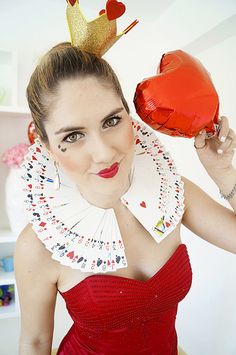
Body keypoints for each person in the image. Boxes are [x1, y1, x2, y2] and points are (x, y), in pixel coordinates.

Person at [14, 40, 236, 355]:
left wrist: (223, 172)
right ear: (48, 146)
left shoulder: (171, 192)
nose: (104, 153)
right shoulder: (37, 246)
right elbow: (35, 342)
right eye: (73, 136)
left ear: (129, 117)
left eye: (112, 121)